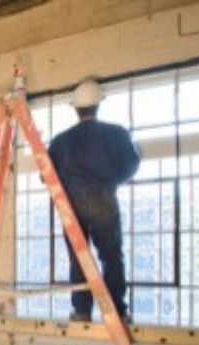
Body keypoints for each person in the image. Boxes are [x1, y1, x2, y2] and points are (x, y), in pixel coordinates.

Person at [48, 78, 140, 323]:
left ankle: (81, 311)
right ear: (98, 105)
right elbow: (129, 167)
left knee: (79, 257)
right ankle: (117, 311)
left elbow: (47, 176)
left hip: (70, 202)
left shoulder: (59, 141)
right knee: (111, 255)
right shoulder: (117, 133)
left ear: (76, 109)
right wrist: (108, 182)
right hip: (103, 198)